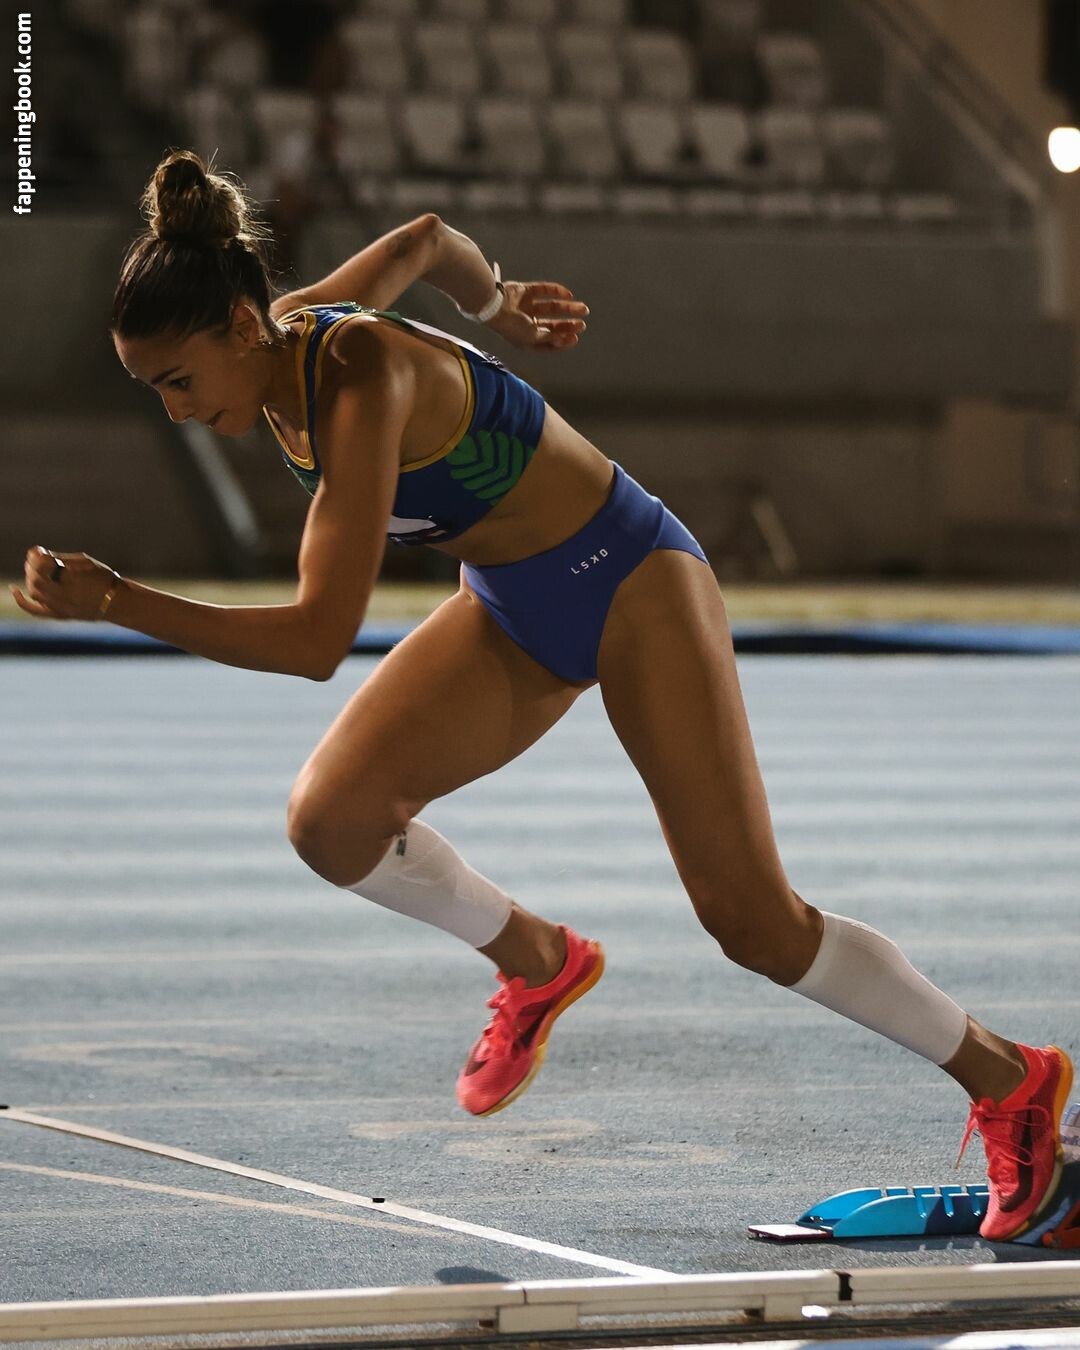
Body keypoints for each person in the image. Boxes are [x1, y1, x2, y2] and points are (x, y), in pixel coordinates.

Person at [13, 150, 1071, 1244]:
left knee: (753, 922)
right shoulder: (283, 336)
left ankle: (1012, 1079)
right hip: (512, 607)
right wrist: (496, 302)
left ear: (239, 327)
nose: (176, 412)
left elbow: (320, 639)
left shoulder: (358, 376)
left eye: (177, 382)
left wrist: (119, 600)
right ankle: (536, 959)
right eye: (153, 391)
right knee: (330, 822)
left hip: (633, 583)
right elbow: (425, 242)